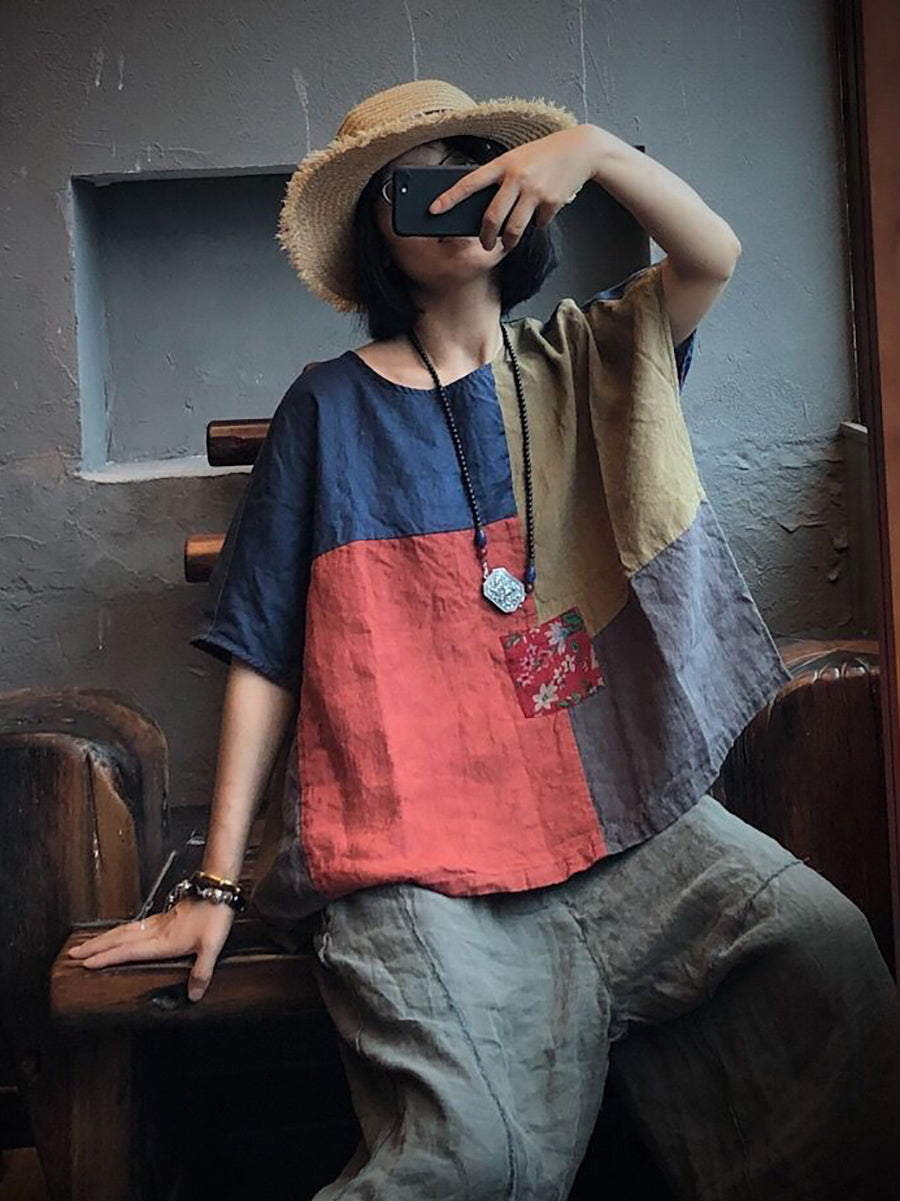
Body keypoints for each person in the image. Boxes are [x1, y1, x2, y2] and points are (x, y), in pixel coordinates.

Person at [69, 79, 900, 1199]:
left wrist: (592, 148)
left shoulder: (588, 356)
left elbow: (714, 254)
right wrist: (214, 887)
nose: (452, 197)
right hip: (415, 854)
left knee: (830, 957)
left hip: (618, 820)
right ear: (377, 235)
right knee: (475, 1157)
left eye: (473, 171)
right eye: (414, 188)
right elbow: (264, 648)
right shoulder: (326, 408)